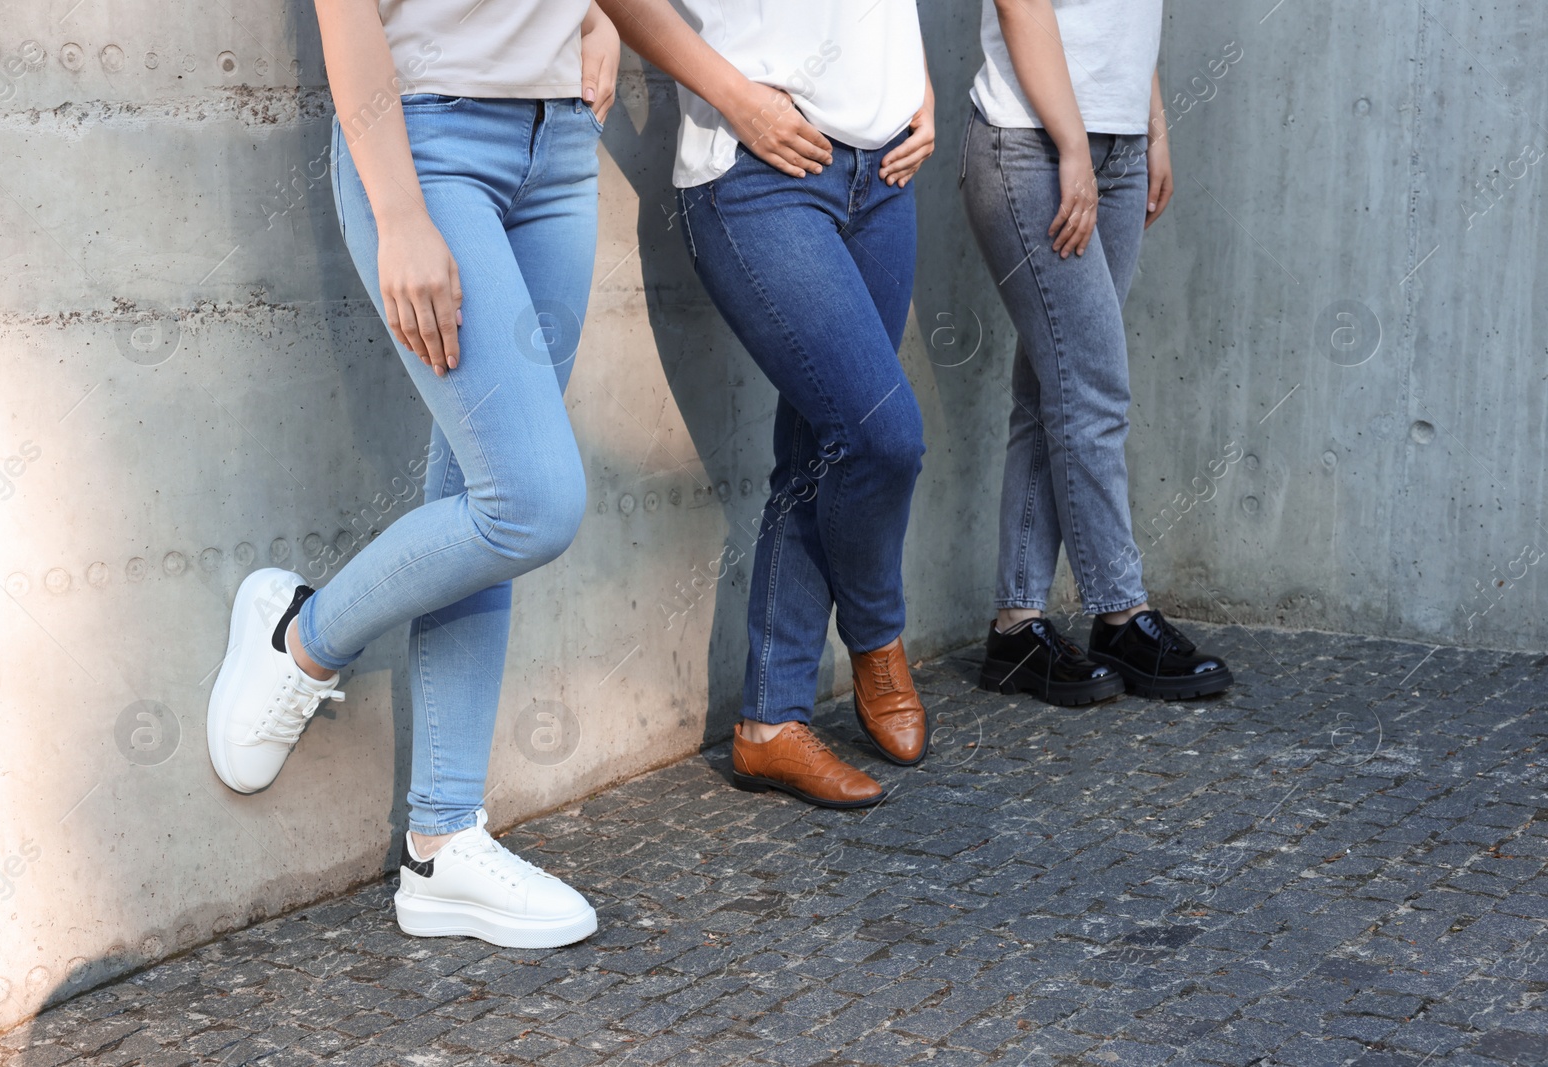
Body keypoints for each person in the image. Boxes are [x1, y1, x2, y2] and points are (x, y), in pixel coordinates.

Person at [205, 0, 621, 949]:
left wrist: (597, 17)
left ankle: (441, 844)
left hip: (558, 140)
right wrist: (398, 208)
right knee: (532, 503)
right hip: (430, 139)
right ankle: (302, 638)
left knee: (481, 494)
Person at [602, 0, 936, 807]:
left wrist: (918, 84)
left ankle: (769, 724)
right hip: (757, 169)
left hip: (886, 167)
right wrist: (740, 100)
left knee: (823, 448)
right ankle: (877, 632)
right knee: (884, 438)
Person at [962, 0, 1234, 705]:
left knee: (1049, 391)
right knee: (1092, 390)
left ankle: (1017, 628)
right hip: (1034, 146)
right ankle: (1120, 613)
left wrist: (1153, 125)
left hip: (1118, 148)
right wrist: (1074, 145)